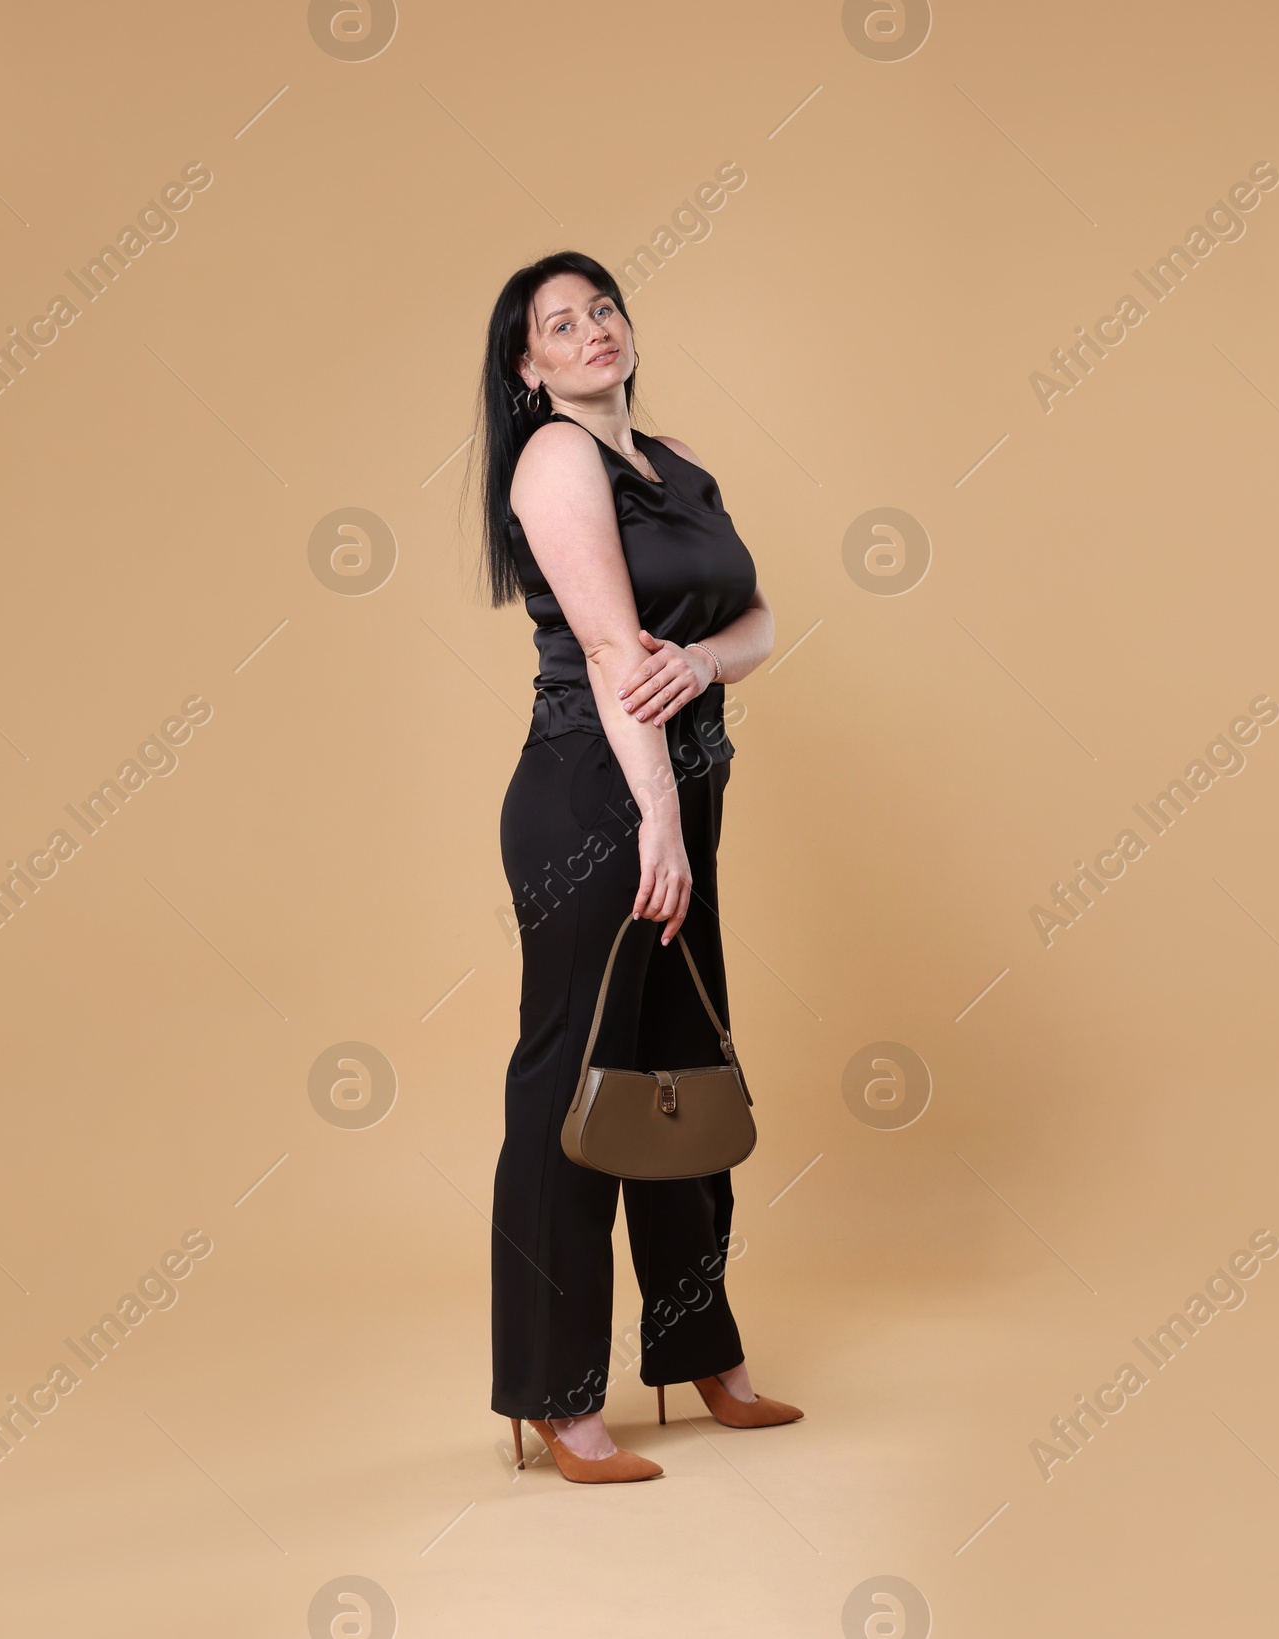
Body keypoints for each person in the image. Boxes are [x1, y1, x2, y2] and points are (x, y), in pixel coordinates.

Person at [475, 250, 803, 1484]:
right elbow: (614, 652)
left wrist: (711, 667)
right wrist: (655, 818)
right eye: (560, 323)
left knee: (682, 1068)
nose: (591, 329)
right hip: (593, 796)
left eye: (601, 307)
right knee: (574, 1086)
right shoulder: (555, 458)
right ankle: (556, 1395)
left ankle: (699, 1349)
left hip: (679, 792)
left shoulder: (676, 467)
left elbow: (760, 617)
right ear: (530, 365)